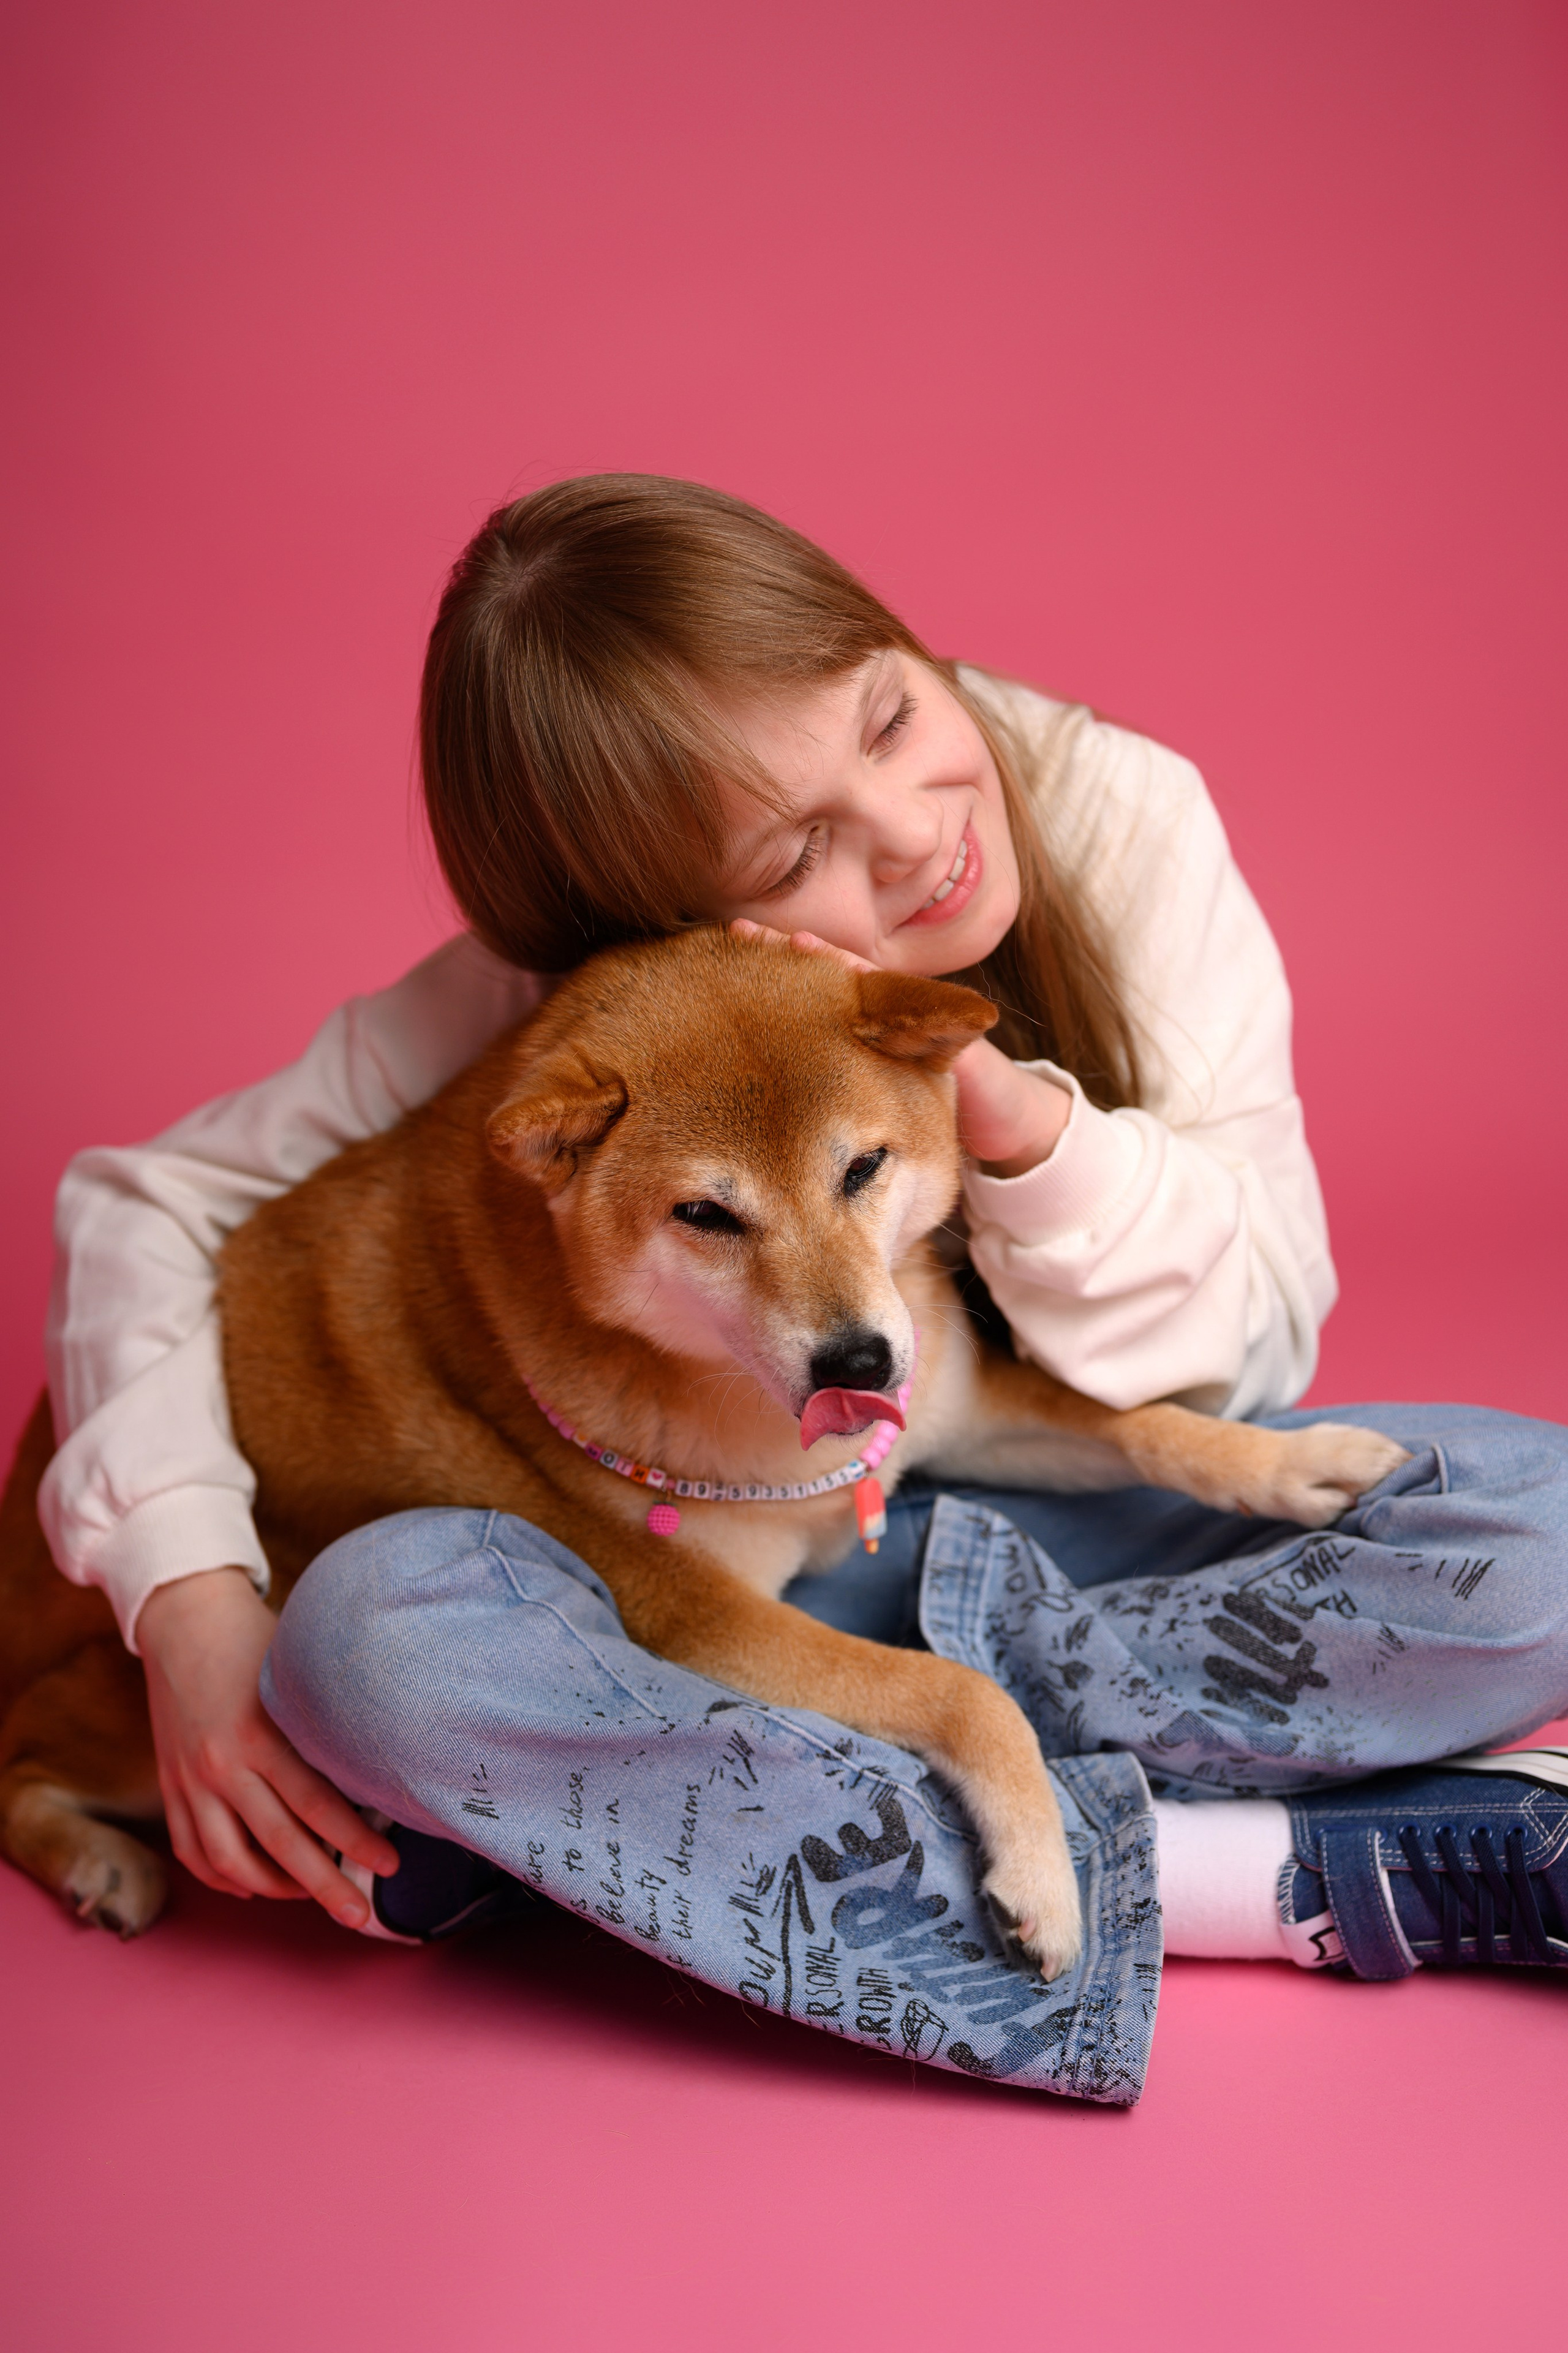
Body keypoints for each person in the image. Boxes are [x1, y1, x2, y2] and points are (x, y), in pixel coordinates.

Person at [38, 475, 1568, 2100]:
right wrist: (190, 1594)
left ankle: (648, 1821)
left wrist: (1007, 1116)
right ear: (681, 922)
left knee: (1537, 1527)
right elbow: (146, 1199)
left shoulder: (1120, 816)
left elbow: (1253, 1352)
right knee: (364, 1648)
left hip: (999, 1548)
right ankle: (1254, 1872)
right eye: (798, 850)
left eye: (892, 715)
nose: (911, 829)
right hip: (666, 1569)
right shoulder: (586, 1005)